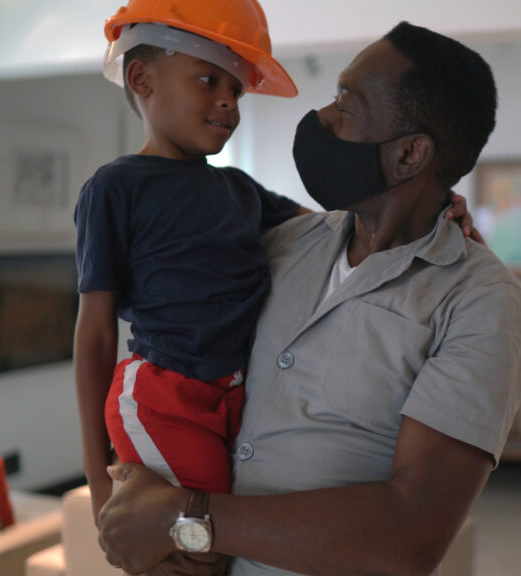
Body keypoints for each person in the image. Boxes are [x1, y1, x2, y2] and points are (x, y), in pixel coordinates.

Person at [97, 21, 521, 576]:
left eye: (345, 106)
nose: (321, 119)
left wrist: (187, 517)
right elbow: (163, 345)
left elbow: (411, 533)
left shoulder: (481, 303)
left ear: (408, 156)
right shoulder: (279, 243)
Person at [73, 0, 309, 530]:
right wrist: (96, 476)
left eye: (237, 91)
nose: (229, 103)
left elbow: (337, 228)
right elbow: (93, 333)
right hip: (164, 401)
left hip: (237, 396)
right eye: (209, 80)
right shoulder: (115, 188)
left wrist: (429, 212)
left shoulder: (239, 189)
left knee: (230, 543)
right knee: (202, 549)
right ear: (141, 78)